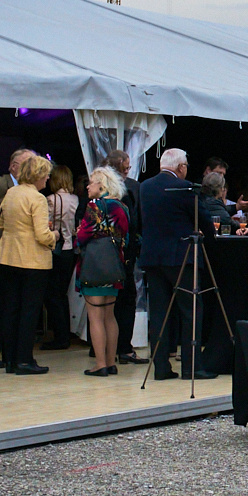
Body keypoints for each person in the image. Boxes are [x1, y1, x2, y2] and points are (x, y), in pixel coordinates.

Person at [141, 148, 217, 380]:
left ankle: (161, 367)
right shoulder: (185, 188)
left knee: (160, 313)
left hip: (153, 257)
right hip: (182, 256)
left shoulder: (145, 186)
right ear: (181, 167)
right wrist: (211, 237)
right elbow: (203, 219)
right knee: (191, 310)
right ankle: (192, 367)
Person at [0, 155, 55, 374]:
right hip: (32, 262)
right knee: (29, 312)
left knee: (11, 309)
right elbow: (42, 235)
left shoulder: (11, 192)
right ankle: (24, 360)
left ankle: (10, 360)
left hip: (6, 257)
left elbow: (1, 223)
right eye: (46, 174)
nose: (48, 178)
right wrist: (54, 235)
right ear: (38, 175)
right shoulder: (37, 198)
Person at [76, 167, 130, 376]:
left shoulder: (95, 206)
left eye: (91, 182)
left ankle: (100, 364)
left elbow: (83, 236)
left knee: (95, 317)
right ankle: (111, 362)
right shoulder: (121, 206)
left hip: (94, 267)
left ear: (101, 184)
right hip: (114, 266)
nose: (87, 186)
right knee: (110, 316)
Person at [0, 149, 36, 367]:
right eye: (28, 164)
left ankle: (10, 353)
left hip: (20, 254)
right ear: (13, 165)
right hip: (0, 249)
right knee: (0, 303)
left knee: (9, 303)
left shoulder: (32, 190)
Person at [103, 150, 146, 365]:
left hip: (101, 254)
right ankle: (123, 348)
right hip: (123, 252)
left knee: (104, 302)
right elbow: (135, 222)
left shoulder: (97, 191)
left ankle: (102, 349)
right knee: (126, 298)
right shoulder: (130, 190)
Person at [42, 165, 79, 351]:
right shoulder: (76, 200)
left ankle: (60, 336)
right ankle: (65, 333)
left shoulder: (50, 200)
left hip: (55, 248)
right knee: (62, 294)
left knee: (52, 294)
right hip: (70, 249)